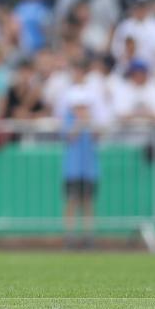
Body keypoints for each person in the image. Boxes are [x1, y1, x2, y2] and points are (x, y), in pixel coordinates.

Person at [60, 90, 100, 249]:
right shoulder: (68, 121)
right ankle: (69, 237)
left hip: (90, 168)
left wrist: (89, 123)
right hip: (72, 169)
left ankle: (88, 236)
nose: (82, 110)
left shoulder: (91, 121)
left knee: (88, 202)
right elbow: (70, 137)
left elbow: (98, 136)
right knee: (71, 201)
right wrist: (79, 123)